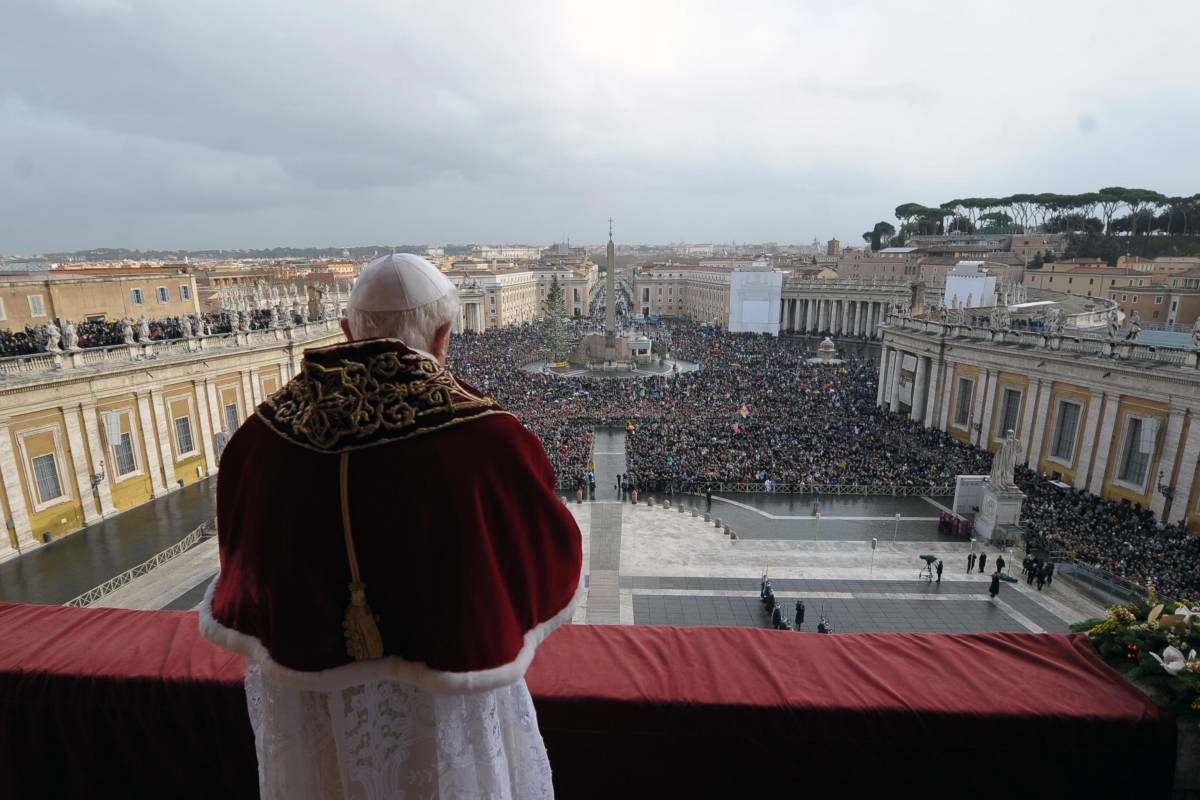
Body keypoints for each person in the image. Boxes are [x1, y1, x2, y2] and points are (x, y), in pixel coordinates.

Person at [200, 254, 583, 800]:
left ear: (347, 331)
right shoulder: (490, 440)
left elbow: (245, 576)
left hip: (319, 711)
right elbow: (549, 559)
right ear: (445, 334)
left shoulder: (259, 439)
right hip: (446, 707)